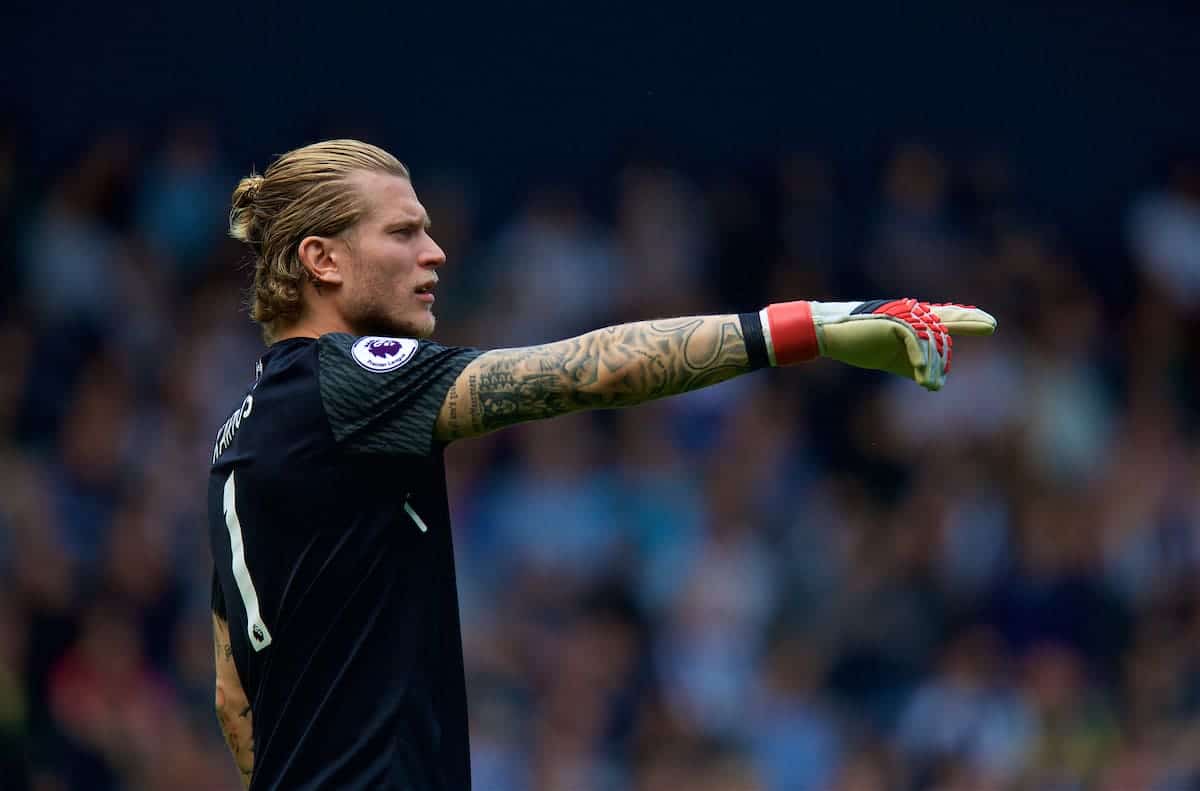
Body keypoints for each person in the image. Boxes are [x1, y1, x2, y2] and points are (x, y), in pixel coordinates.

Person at [208, 139, 995, 790]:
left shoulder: (236, 446)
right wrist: (806, 326)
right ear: (322, 259)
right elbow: (582, 370)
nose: (435, 251)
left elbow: (234, 698)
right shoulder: (350, 378)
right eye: (403, 232)